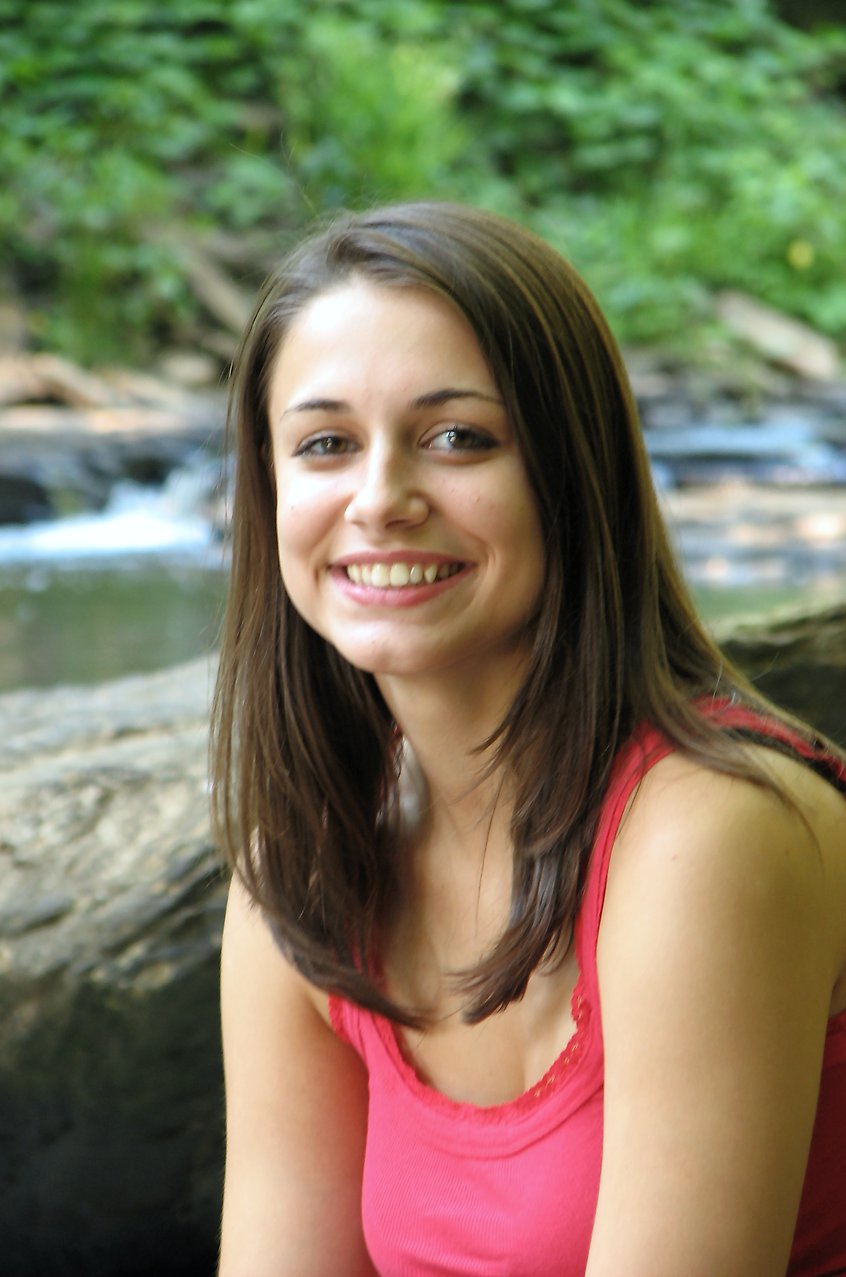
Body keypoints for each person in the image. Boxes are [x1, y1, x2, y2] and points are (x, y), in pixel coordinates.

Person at [210, 201, 846, 1277]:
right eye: (324, 443)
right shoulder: (303, 858)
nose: (380, 499)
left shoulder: (711, 835)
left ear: (570, 468)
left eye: (457, 436)